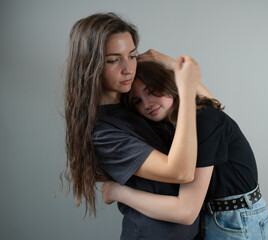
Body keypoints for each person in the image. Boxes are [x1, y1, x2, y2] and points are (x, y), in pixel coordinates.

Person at [62, 12, 211, 240]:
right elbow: (180, 171)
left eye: (132, 56)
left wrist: (169, 63)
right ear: (89, 65)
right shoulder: (102, 132)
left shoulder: (134, 99)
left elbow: (212, 114)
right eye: (113, 60)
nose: (128, 68)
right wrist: (187, 88)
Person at [101, 61, 268, 239]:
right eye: (137, 101)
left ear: (171, 85)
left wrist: (117, 192)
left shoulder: (205, 121)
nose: (147, 104)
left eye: (152, 91)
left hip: (237, 222)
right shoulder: (177, 128)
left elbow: (185, 211)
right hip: (215, 218)